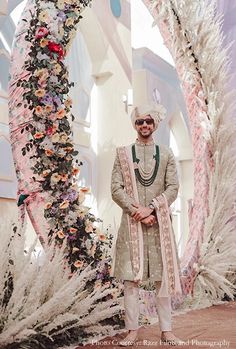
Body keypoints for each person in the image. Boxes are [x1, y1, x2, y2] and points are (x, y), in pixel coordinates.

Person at [111, 103, 183, 346]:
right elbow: (116, 188)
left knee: (162, 279)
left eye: (148, 122)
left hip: (158, 224)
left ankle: (167, 330)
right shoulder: (122, 153)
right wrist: (138, 212)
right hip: (133, 226)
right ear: (135, 124)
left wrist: (151, 208)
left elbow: (173, 187)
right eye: (140, 121)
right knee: (131, 280)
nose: (144, 125)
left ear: (155, 125)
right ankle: (132, 331)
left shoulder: (166, 154)